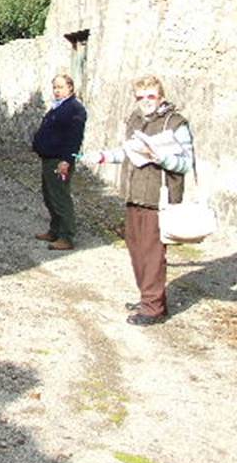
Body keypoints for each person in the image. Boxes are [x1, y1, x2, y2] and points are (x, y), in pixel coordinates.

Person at [81, 75, 194, 326]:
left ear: (161, 97)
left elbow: (187, 163)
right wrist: (102, 157)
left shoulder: (175, 123)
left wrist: (161, 158)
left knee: (152, 252)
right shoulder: (136, 120)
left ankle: (153, 309)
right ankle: (149, 298)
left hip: (158, 198)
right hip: (134, 195)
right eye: (140, 97)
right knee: (136, 248)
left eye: (150, 96)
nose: (145, 102)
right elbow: (128, 153)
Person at [31, 74, 87, 250]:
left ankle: (66, 236)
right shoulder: (58, 107)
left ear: (70, 87)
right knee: (49, 196)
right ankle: (54, 230)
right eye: (55, 87)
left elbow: (74, 139)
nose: (57, 90)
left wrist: (66, 160)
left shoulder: (74, 109)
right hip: (49, 158)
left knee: (60, 197)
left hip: (59, 160)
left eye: (61, 87)